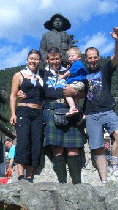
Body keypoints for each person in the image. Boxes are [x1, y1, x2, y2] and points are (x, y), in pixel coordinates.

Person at [80, 27, 118, 185]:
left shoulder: (105, 69)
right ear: (86, 59)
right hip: (91, 114)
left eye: (94, 57)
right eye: (89, 58)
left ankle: (114, 164)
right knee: (97, 147)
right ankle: (105, 180)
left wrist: (117, 41)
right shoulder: (82, 74)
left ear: (98, 57)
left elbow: (116, 56)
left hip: (108, 110)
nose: (92, 60)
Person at [43, 47, 85, 184]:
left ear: (61, 59)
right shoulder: (43, 73)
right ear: (47, 60)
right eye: (52, 59)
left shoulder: (70, 70)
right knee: (57, 148)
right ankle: (62, 185)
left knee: (73, 149)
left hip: (69, 109)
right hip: (51, 109)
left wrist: (75, 91)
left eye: (57, 59)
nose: (55, 62)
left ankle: (77, 185)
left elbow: (84, 89)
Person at [10, 49, 44, 181]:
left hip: (38, 113)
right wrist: (13, 114)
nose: (33, 61)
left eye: (36, 59)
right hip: (23, 111)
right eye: (31, 58)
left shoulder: (42, 76)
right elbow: (13, 95)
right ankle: (20, 175)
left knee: (36, 142)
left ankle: (30, 175)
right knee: (23, 141)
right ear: (27, 60)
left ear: (39, 61)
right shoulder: (19, 75)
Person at [58, 47, 88, 116]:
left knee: (67, 92)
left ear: (79, 57)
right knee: (74, 99)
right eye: (69, 56)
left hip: (77, 82)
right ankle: (80, 112)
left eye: (72, 56)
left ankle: (72, 108)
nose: (70, 58)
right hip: (78, 83)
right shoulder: (76, 64)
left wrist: (63, 76)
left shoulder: (77, 63)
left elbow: (70, 71)